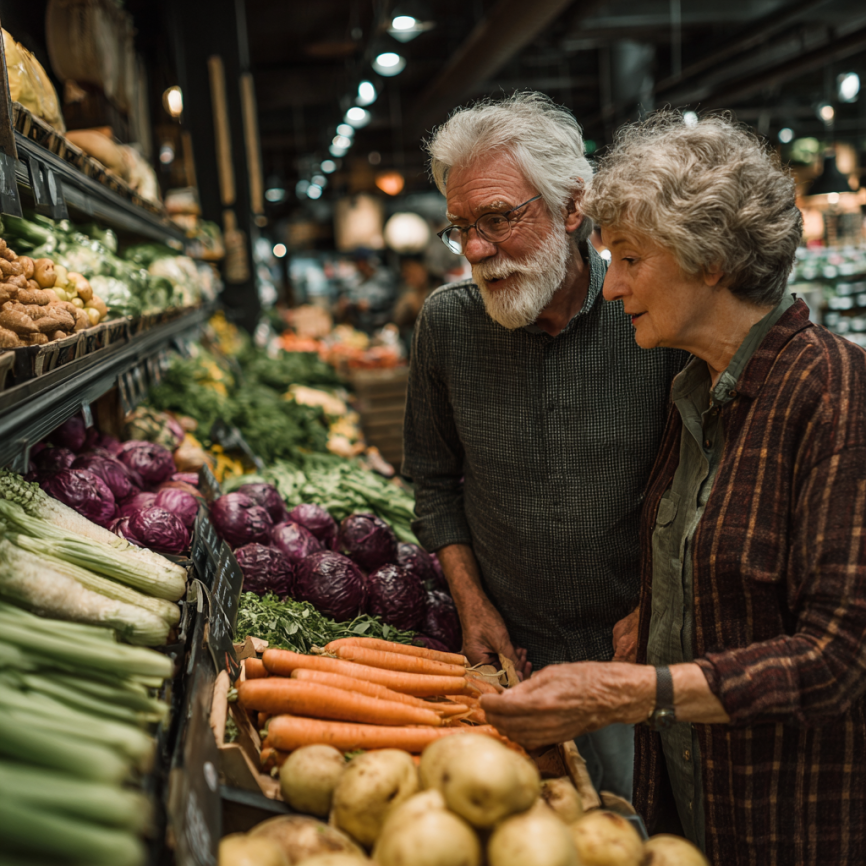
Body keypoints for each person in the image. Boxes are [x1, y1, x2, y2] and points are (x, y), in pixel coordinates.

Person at [481, 111, 866, 865]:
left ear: (709, 258)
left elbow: (837, 656)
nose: (612, 283)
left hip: (791, 820)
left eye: (629, 257)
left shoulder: (836, 396)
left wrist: (633, 692)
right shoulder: (695, 388)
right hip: (691, 803)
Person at [401, 92, 685, 798]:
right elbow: (434, 485)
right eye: (461, 227)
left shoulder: (648, 316)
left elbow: (700, 481)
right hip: (510, 658)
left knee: (641, 821)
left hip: (642, 653)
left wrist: (660, 602)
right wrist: (470, 602)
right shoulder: (447, 327)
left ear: (572, 206)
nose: (474, 249)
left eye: (499, 218)